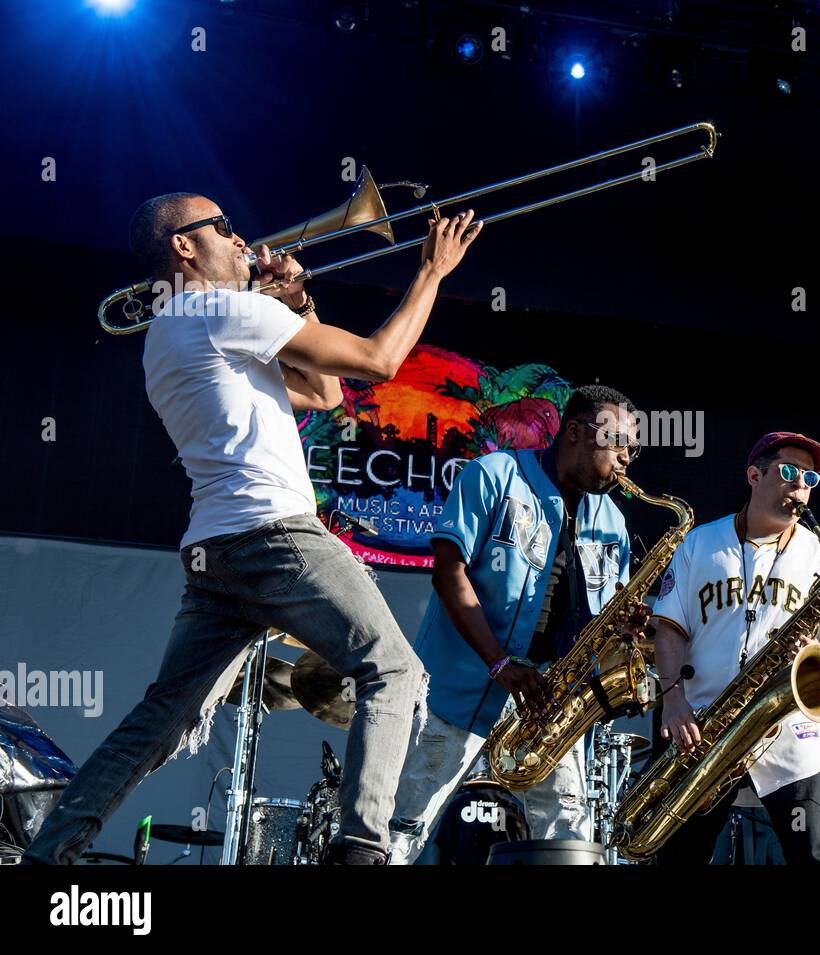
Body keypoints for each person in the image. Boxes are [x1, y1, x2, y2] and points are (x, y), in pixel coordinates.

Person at [23, 193, 481, 865]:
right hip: (276, 533)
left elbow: (325, 396)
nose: (244, 241)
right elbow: (379, 361)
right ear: (185, 246)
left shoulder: (167, 334)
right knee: (393, 669)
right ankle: (361, 850)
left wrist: (297, 304)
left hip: (216, 552)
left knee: (159, 723)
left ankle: (51, 853)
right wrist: (433, 272)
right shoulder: (222, 309)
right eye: (226, 229)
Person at [388, 385, 644, 863]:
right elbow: (449, 571)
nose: (628, 457)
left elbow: (605, 621)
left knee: (568, 841)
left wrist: (626, 633)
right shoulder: (494, 474)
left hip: (547, 708)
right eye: (619, 443)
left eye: (635, 447)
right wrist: (499, 662)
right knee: (403, 829)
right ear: (575, 432)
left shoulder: (613, 520)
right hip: (457, 695)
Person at [650, 432, 820, 865]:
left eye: (810, 479)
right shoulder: (698, 543)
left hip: (789, 732)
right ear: (754, 475)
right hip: (704, 727)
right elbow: (669, 629)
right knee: (676, 857)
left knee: (818, 857)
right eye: (789, 471)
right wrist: (672, 700)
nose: (800, 484)